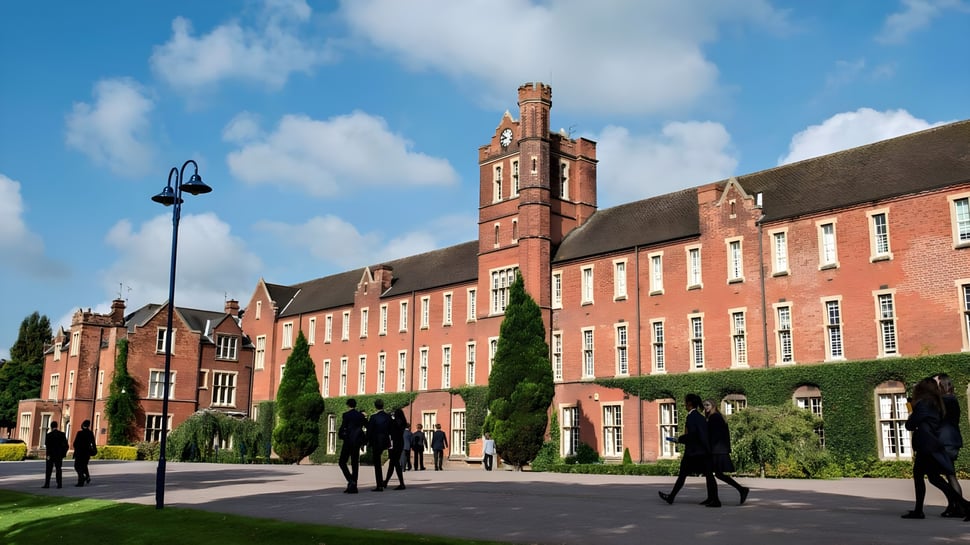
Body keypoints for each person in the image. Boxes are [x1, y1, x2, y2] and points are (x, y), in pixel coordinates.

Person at [901, 378, 970, 520]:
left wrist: (911, 411)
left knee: (920, 476)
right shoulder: (936, 403)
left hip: (926, 444)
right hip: (932, 444)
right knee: (934, 478)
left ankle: (919, 511)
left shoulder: (924, 404)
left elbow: (910, 425)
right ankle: (963, 505)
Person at [659, 393, 718, 507]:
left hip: (693, 453)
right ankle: (713, 498)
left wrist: (679, 439)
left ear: (690, 404)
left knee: (683, 475)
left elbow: (692, 435)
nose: (684, 404)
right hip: (703, 452)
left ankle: (671, 497)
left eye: (685, 402)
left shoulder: (691, 417)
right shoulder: (700, 417)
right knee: (709, 475)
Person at [702, 399, 749, 505]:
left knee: (712, 473)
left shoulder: (714, 417)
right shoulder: (717, 417)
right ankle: (713, 497)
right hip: (718, 449)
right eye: (704, 405)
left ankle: (715, 499)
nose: (706, 407)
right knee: (715, 474)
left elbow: (713, 435)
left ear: (713, 405)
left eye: (708, 405)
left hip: (716, 450)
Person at [936, 374, 965, 517]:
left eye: (936, 383)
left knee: (935, 475)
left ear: (943, 384)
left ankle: (959, 505)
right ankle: (956, 506)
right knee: (950, 475)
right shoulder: (951, 399)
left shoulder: (945, 401)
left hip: (945, 442)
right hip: (951, 441)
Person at [337, 398, 367, 494]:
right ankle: (354, 485)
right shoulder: (360, 416)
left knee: (342, 462)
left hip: (348, 441)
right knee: (355, 463)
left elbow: (343, 427)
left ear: (348, 405)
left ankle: (350, 481)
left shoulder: (346, 415)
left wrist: (341, 435)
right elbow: (367, 426)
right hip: (357, 441)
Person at [367, 399, 392, 491]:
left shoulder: (373, 417)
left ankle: (379, 484)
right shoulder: (388, 417)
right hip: (385, 441)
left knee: (377, 463)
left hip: (376, 441)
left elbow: (369, 431)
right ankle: (382, 483)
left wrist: (367, 441)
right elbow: (391, 429)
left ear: (375, 406)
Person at [383, 408, 408, 490]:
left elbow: (389, 429)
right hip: (400, 443)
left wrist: (389, 416)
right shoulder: (403, 422)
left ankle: (401, 483)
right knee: (392, 463)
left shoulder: (395, 422)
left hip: (394, 443)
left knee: (395, 463)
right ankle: (386, 481)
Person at [42, 421, 69, 489]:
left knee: (48, 470)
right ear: (57, 426)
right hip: (59, 455)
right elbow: (66, 446)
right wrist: (63, 454)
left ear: (51, 427)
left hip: (50, 455)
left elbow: (47, 446)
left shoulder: (49, 435)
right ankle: (59, 484)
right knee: (58, 469)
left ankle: (47, 484)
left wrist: (48, 455)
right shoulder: (62, 434)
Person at [72, 419, 97, 487]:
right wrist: (94, 451)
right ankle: (87, 476)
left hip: (79, 452)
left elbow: (75, 443)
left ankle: (81, 479)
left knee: (77, 466)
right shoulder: (90, 433)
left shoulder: (80, 433)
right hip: (86, 453)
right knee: (84, 466)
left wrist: (76, 449)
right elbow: (93, 443)